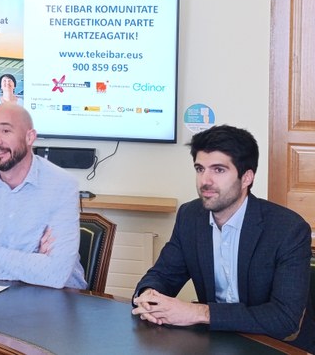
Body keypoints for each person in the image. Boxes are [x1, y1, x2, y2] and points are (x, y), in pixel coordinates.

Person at [131, 125, 315, 352]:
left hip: (276, 345)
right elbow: (163, 274)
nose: (205, 181)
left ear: (246, 177)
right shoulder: (190, 216)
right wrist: (149, 296)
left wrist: (197, 312)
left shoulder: (288, 229)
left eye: (218, 170)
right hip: (216, 341)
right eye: (200, 169)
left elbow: (284, 318)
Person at [0, 102, 86, 289]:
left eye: (5, 131)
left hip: (56, 298)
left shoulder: (62, 185)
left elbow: (56, 274)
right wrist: (34, 263)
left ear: (30, 137)